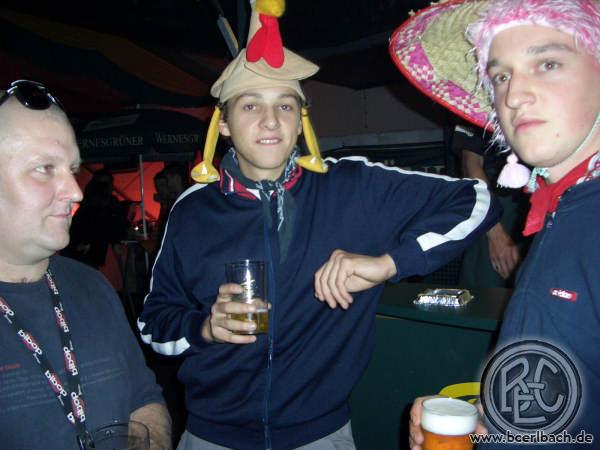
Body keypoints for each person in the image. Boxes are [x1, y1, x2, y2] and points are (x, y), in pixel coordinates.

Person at [138, 0, 500, 449]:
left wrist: (390, 264)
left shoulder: (351, 186)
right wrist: (203, 328)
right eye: (250, 105)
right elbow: (154, 323)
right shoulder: (192, 210)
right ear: (224, 124)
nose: (270, 121)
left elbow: (476, 199)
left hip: (320, 435)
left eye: (285, 105)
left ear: (300, 121)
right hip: (211, 436)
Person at [389, 0, 600, 447]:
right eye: (501, 76)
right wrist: (486, 424)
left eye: (547, 64)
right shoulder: (562, 213)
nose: (513, 96)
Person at [0, 80, 172, 449]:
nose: (76, 191)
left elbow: (143, 398)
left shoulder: (92, 285)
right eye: (45, 168)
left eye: (73, 168)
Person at [454, 123, 530, 287]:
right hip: (496, 207)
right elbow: (471, 165)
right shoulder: (474, 110)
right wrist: (495, 234)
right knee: (487, 293)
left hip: (544, 203)